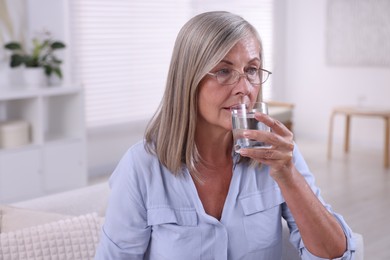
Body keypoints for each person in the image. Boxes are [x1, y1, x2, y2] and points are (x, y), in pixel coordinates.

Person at [95, 11, 356, 259]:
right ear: (188, 79)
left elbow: (336, 255)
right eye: (223, 71)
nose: (244, 88)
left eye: (252, 70)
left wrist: (289, 177)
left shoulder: (278, 157)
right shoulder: (141, 167)